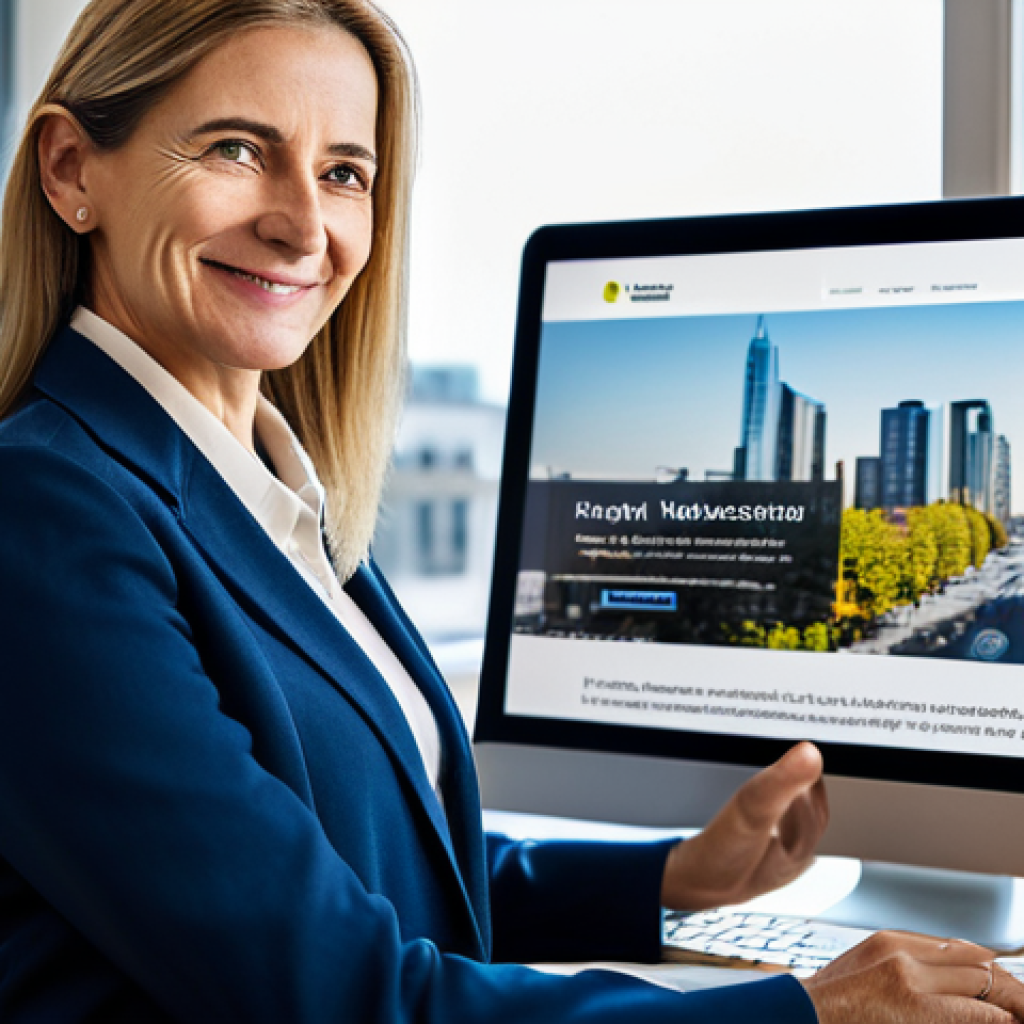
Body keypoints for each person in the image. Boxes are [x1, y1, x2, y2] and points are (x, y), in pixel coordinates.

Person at [0, 1, 1020, 1021]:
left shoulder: (268, 489)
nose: (304, 226)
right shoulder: (46, 512)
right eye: (236, 149)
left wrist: (674, 876)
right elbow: (339, 987)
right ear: (72, 170)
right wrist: (802, 1010)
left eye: (345, 173)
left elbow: (359, 853)